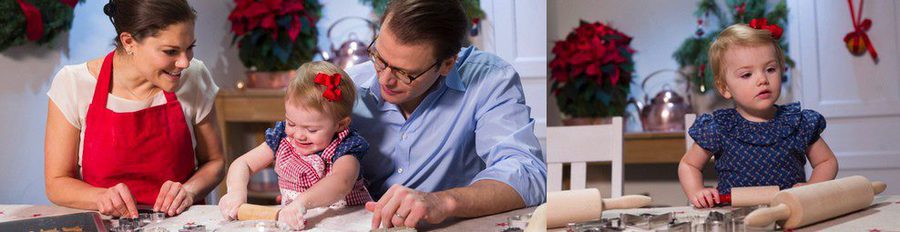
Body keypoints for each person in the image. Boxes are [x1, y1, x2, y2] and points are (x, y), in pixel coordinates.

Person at [346, 0, 546, 229]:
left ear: (447, 64)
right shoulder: (348, 88)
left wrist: (443, 201)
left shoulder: (490, 79)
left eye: (405, 73)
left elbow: (528, 174)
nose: (384, 79)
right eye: (379, 58)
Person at [44, 0, 224, 218]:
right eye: (170, 51)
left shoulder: (195, 76)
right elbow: (57, 182)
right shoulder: (74, 84)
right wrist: (99, 197)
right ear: (129, 41)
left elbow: (215, 162)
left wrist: (189, 190)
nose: (184, 62)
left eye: (190, 48)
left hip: (180, 223)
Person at [678, 21, 839, 208]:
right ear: (724, 87)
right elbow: (689, 165)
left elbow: (827, 162)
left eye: (770, 69)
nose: (762, 80)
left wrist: (812, 188)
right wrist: (697, 191)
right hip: (735, 218)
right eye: (747, 74)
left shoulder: (798, 123)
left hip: (789, 212)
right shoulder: (719, 127)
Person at [218, 61, 371, 229]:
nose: (298, 135)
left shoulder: (345, 146)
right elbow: (243, 163)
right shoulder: (282, 137)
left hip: (347, 224)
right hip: (299, 224)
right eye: (291, 123)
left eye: (311, 130)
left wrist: (301, 203)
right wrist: (236, 192)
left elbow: (341, 182)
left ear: (340, 125)